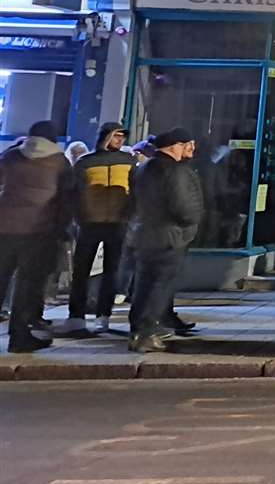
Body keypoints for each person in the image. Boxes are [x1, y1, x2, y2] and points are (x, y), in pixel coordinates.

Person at [0, 121, 77, 353]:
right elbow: (67, 200)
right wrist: (62, 228)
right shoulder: (59, 162)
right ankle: (19, 336)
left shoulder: (12, 157)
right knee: (28, 285)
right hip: (39, 232)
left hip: (4, 229)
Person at [127, 128, 203, 353]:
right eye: (186, 144)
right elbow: (182, 206)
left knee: (144, 284)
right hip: (170, 235)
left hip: (145, 234)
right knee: (160, 285)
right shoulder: (175, 172)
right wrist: (194, 219)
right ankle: (147, 332)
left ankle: (137, 330)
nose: (190, 149)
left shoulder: (143, 169)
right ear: (174, 146)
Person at [58, 122, 136, 335]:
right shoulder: (86, 162)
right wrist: (78, 215)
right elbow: (73, 192)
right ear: (106, 137)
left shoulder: (128, 161)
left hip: (116, 222)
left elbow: (135, 190)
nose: (120, 140)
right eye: (116, 136)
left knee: (111, 272)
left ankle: (103, 315)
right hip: (90, 222)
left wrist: (130, 212)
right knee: (82, 272)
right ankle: (77, 316)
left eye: (122, 136)